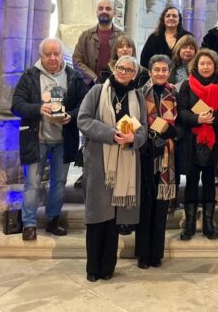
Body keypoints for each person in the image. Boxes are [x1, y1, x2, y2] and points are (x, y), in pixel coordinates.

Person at [78, 55, 148, 282]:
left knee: (114, 219)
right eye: (120, 67)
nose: (123, 72)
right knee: (98, 216)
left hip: (126, 160)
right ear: (113, 68)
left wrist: (132, 138)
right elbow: (84, 120)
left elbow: (144, 129)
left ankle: (108, 267)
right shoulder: (98, 91)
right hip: (100, 162)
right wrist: (111, 134)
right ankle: (92, 268)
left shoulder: (137, 95)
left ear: (134, 74)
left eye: (128, 69)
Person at [11, 38, 88, 240]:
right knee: (33, 183)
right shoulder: (29, 76)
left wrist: (71, 116)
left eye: (56, 54)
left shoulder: (73, 77)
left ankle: (53, 219)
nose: (53, 58)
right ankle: (29, 223)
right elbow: (16, 105)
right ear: (41, 55)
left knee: (59, 183)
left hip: (63, 140)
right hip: (36, 139)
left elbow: (85, 104)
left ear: (62, 55)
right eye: (48, 54)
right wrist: (38, 108)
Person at [176, 48, 218, 240]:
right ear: (196, 65)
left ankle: (208, 224)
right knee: (191, 182)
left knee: (209, 182)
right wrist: (198, 119)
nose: (205, 67)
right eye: (202, 63)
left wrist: (211, 118)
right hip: (191, 141)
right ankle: (188, 225)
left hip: (214, 140)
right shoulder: (187, 85)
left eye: (209, 63)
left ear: (215, 65)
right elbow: (181, 111)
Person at [135, 55, 179, 267]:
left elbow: (180, 120)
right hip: (146, 151)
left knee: (161, 205)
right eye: (157, 69)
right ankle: (143, 253)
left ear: (169, 72)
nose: (160, 73)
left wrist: (173, 131)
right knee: (146, 203)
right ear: (150, 72)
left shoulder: (174, 92)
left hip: (167, 153)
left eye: (164, 70)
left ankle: (156, 254)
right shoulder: (141, 92)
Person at [72, 0, 124, 86]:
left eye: (108, 9)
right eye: (101, 8)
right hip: (88, 86)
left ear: (114, 13)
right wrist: (94, 78)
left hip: (115, 86)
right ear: (96, 12)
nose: (104, 11)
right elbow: (77, 60)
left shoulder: (122, 37)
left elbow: (128, 61)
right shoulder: (85, 36)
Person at [140, 5, 192, 70]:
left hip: (183, 76)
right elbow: (144, 59)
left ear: (179, 19)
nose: (171, 18)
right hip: (159, 75)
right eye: (168, 16)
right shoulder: (153, 38)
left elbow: (194, 58)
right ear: (163, 19)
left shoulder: (187, 37)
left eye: (174, 16)